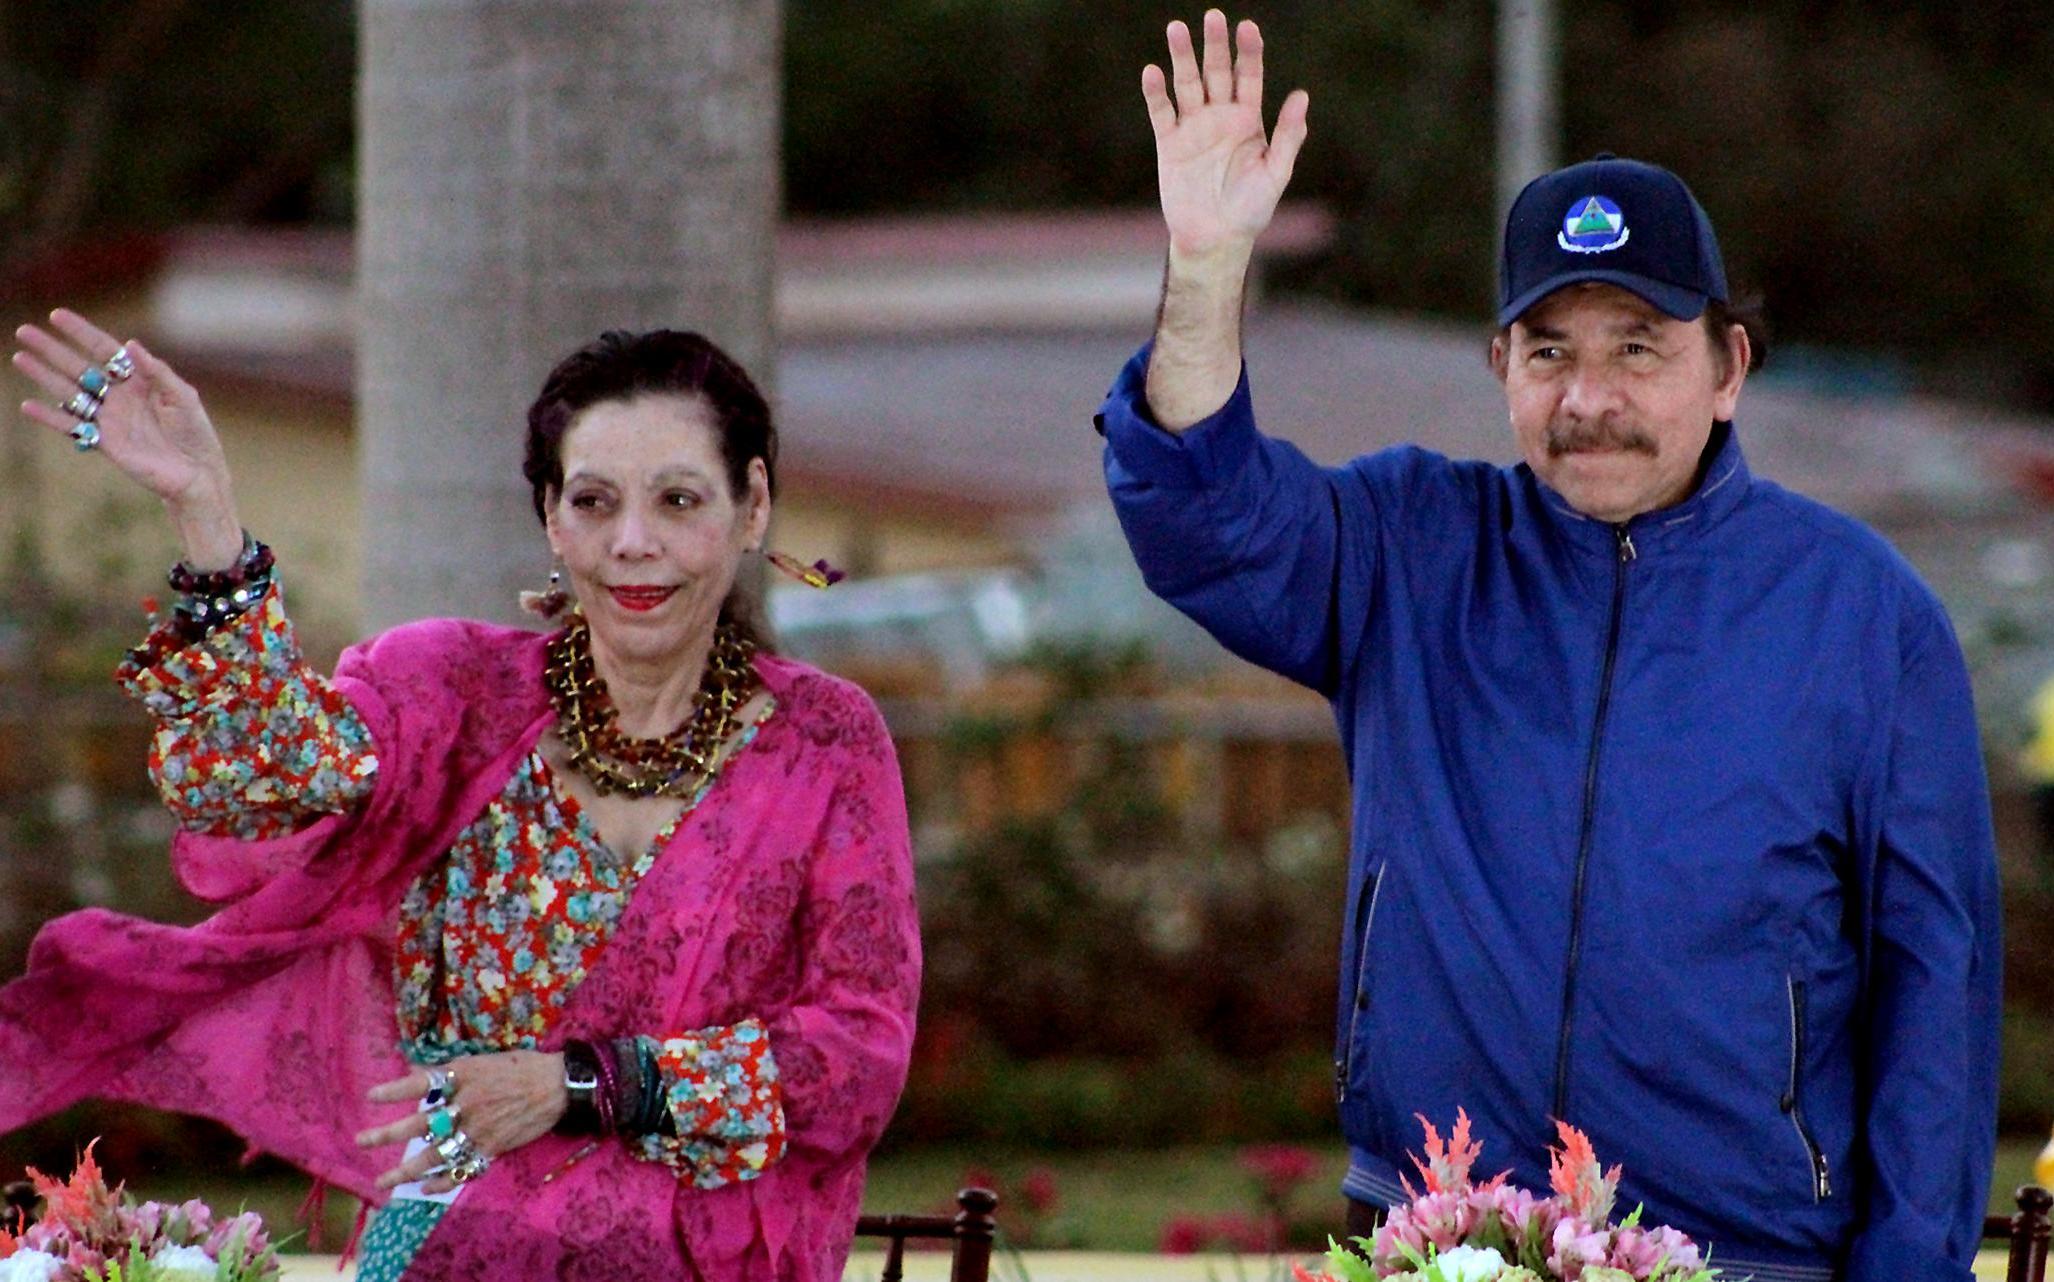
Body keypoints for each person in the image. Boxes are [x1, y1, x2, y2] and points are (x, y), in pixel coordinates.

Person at [1099, 12, 2000, 1280]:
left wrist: (1908, 1265)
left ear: (1727, 365)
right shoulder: (1408, 547)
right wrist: (1203, 269)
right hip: (1437, 1236)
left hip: (1744, 1251)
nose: (1588, 400)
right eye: (1547, 352)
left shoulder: (1863, 612)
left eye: (1638, 348)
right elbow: (1197, 512)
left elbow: (1934, 983)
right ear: (1497, 364)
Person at [0, 311, 922, 1281]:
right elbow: (256, 777)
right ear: (551, 519)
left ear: (752, 506)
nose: (633, 542)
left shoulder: (824, 740)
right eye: (595, 501)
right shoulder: (456, 690)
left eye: (679, 500)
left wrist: (581, 1085)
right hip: (443, 1233)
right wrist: (207, 514)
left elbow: (857, 1055)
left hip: (699, 1250)